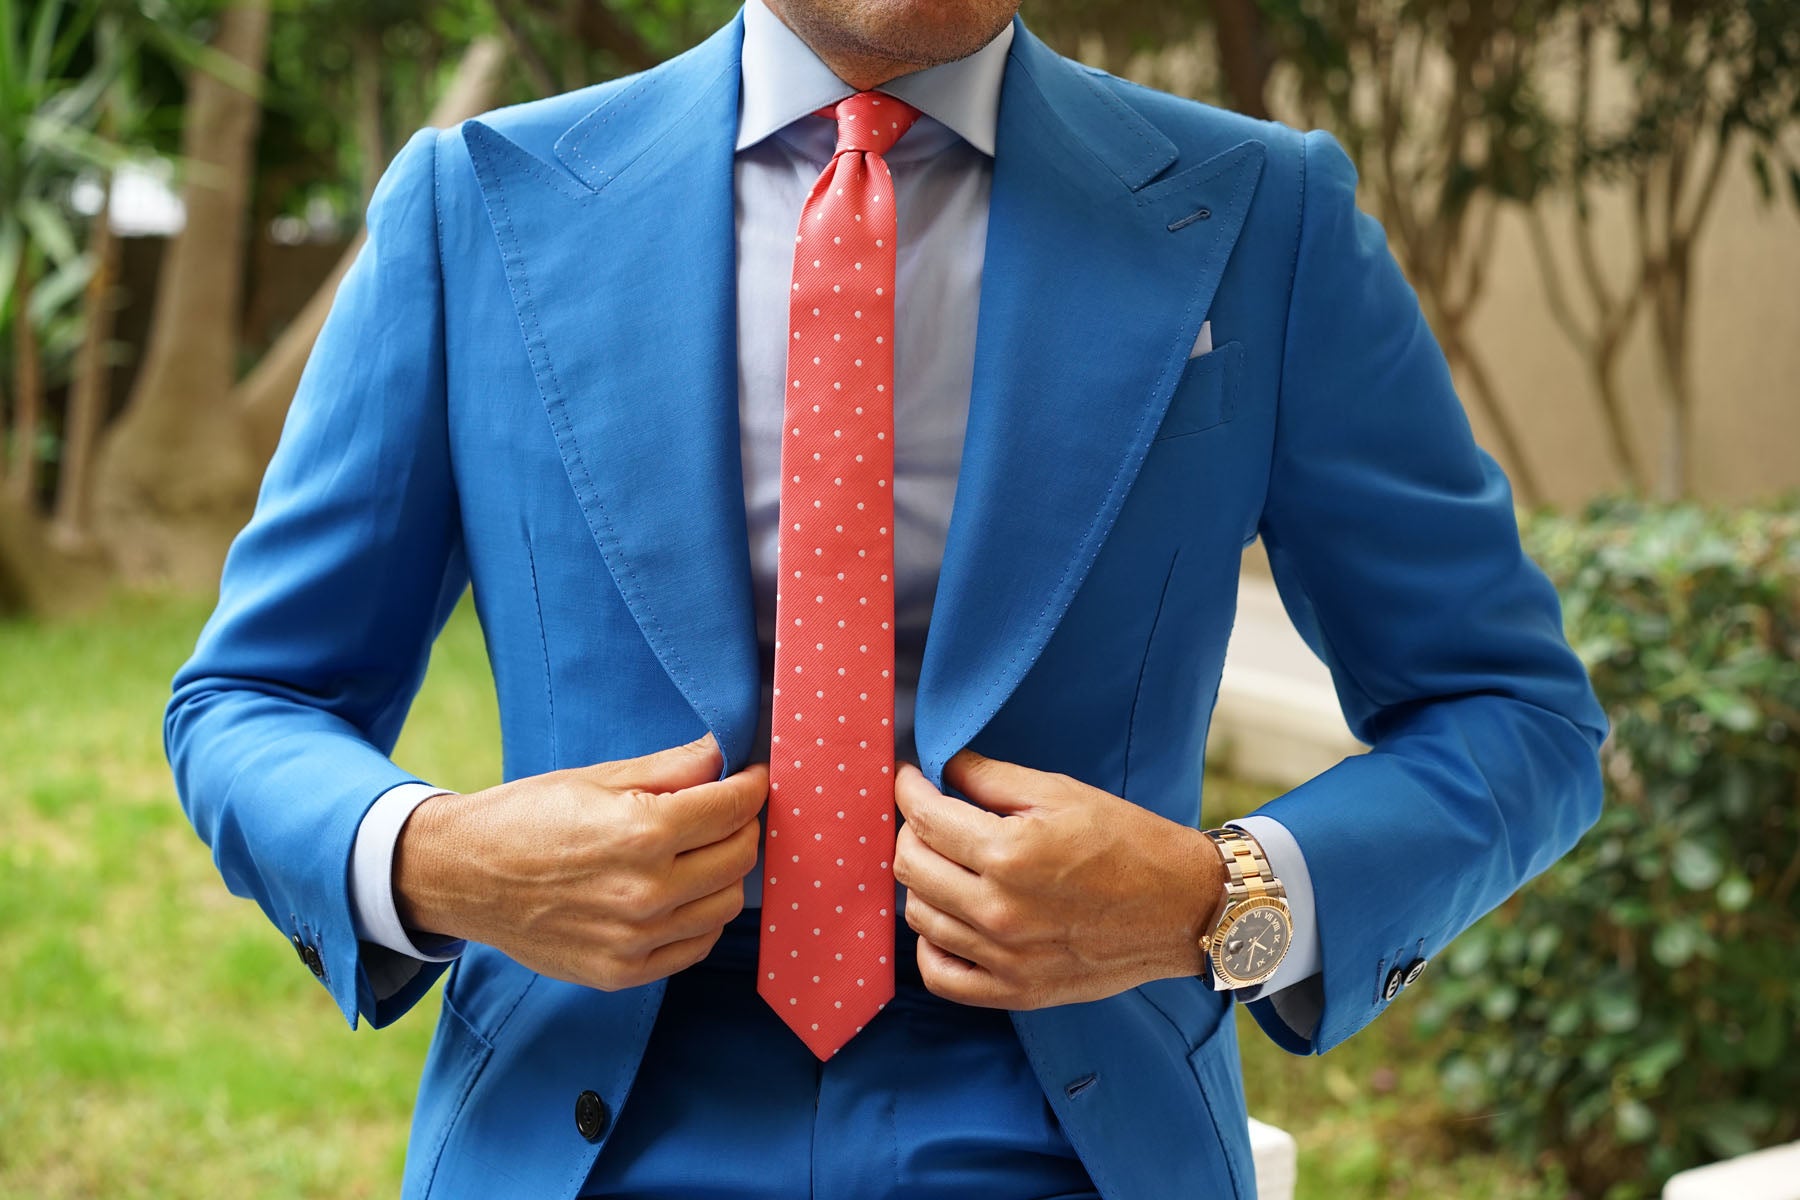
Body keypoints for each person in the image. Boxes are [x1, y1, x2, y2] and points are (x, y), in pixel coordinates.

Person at [164, 0, 1610, 1196]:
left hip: (1072, 1139)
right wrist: (436, 860)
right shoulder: (472, 207)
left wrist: (1213, 897)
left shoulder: (1262, 218)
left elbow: (1515, 717)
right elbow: (252, 701)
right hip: (578, 1134)